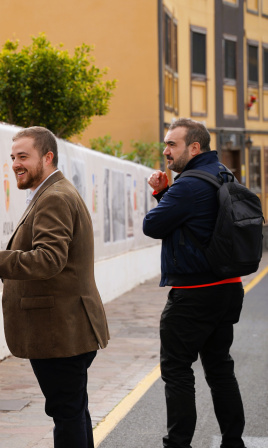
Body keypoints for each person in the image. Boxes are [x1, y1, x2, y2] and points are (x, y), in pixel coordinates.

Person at [0, 126, 109, 448]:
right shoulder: (54, 192)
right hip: (64, 329)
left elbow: (48, 259)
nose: (16, 164)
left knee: (67, 415)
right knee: (73, 412)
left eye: (24, 156)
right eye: (13, 157)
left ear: (47, 157)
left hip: (60, 332)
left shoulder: (54, 197)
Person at [143, 118, 246, 448]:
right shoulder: (224, 175)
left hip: (194, 294)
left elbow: (153, 225)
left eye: (172, 144)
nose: (165, 151)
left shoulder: (188, 185)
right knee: (219, 369)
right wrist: (167, 191)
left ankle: (178, 444)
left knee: (176, 370)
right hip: (228, 287)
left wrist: (161, 191)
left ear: (194, 147)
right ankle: (233, 442)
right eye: (166, 144)